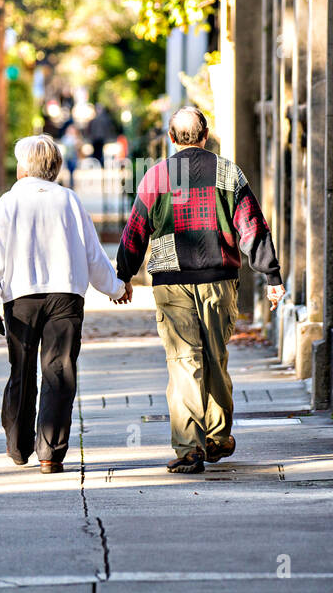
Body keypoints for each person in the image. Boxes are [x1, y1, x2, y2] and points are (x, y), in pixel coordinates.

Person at [116, 107, 285, 474]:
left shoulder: (156, 176)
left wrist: (123, 276)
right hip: (219, 279)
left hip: (171, 281)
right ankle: (218, 437)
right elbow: (252, 228)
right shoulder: (228, 172)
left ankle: (189, 446)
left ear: (172, 139)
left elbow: (135, 231)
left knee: (183, 363)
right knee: (215, 355)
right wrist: (272, 276)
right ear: (206, 136)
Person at [0, 135, 133, 474]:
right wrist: (115, 287)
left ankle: (18, 446)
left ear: (24, 167)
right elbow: (92, 253)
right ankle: (50, 452)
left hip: (20, 297)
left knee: (21, 370)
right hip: (65, 295)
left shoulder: (9, 202)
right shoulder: (70, 201)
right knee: (59, 371)